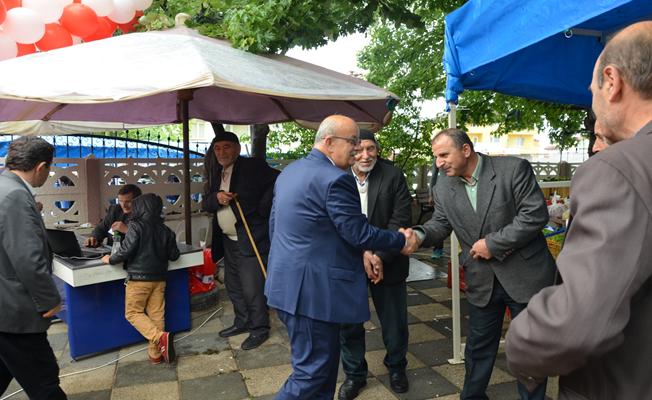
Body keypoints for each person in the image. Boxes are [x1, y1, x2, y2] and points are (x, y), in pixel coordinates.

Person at [505, 21, 652, 399]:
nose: (593, 104)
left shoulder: (619, 169)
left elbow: (575, 324)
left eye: (591, 91)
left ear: (611, 81)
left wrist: (521, 348)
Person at [265, 115, 415, 400]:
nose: (358, 150)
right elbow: (357, 233)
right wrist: (401, 240)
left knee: (321, 375)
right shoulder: (335, 179)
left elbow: (275, 228)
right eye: (353, 143)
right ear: (329, 141)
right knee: (310, 376)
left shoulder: (290, 172)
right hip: (313, 296)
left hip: (286, 287)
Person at [403, 128, 555, 400]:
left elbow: (534, 215)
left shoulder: (513, 169)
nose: (438, 162)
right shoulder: (443, 186)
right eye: (436, 156)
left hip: (526, 276)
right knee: (477, 348)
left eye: (443, 155)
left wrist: (492, 244)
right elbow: (440, 224)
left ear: (465, 150)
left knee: (531, 350)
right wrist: (419, 235)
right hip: (482, 279)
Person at [338, 130, 413, 399]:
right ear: (350, 150)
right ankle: (355, 375)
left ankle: (396, 367)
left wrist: (379, 255)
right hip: (349, 262)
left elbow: (401, 218)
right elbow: (335, 223)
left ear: (378, 150)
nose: (365, 155)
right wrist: (362, 253)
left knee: (394, 323)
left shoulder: (393, 176)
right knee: (349, 324)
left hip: (388, 261)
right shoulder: (336, 175)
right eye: (358, 149)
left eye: (371, 148)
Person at [0, 137, 67, 399]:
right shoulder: (15, 195)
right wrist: (49, 299)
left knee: (7, 367)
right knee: (44, 382)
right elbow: (28, 259)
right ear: (41, 167)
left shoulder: (5, 187)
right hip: (15, 309)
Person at [202, 131, 279, 350]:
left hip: (250, 236)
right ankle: (242, 321)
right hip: (228, 239)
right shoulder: (218, 173)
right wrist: (216, 197)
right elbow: (206, 202)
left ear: (237, 148)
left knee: (252, 287)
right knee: (233, 285)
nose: (221, 152)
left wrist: (263, 210)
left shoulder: (252, 166)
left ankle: (259, 329)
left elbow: (277, 179)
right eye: (217, 148)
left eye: (226, 147)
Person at [101, 193, 180, 364]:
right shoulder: (167, 230)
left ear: (140, 208)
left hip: (138, 279)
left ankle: (159, 337)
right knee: (156, 314)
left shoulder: (135, 226)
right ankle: (155, 355)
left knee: (133, 313)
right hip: (159, 279)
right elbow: (174, 256)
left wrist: (110, 259)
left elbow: (126, 250)